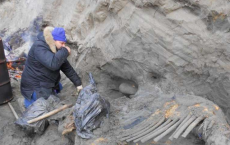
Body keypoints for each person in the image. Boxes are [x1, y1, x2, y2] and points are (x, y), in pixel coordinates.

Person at [20, 27, 83, 108]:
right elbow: (53, 64)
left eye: (64, 43)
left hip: (45, 81)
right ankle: (29, 103)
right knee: (43, 108)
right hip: (34, 86)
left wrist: (78, 84)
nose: (63, 46)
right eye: (61, 43)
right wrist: (65, 51)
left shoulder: (56, 48)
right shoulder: (39, 47)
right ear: (53, 40)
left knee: (57, 89)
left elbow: (66, 67)